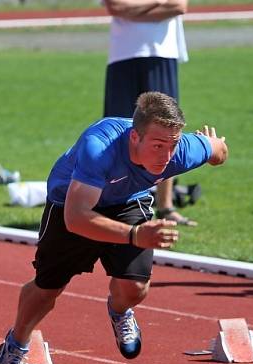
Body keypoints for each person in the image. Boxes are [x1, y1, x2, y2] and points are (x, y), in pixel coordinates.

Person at [0, 92, 228, 364]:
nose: (166, 157)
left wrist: (214, 152)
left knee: (136, 288)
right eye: (157, 146)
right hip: (70, 204)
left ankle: (119, 309)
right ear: (134, 138)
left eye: (172, 145)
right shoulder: (99, 147)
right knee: (47, 288)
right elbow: (76, 218)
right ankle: (15, 345)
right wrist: (135, 235)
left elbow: (218, 149)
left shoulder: (182, 150)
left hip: (128, 202)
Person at [102, 0, 197, 226]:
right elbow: (117, 7)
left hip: (162, 52)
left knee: (167, 127)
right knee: (118, 130)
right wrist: (157, 3)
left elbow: (178, 6)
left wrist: (135, 9)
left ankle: (165, 206)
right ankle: (115, 202)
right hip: (123, 55)